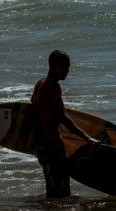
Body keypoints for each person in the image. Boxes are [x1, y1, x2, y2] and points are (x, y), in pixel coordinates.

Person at [31, 50, 100, 199]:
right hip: (53, 145)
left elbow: (32, 112)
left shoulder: (40, 84)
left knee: (53, 191)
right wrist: (88, 138)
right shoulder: (52, 86)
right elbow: (63, 117)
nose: (67, 71)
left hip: (42, 146)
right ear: (53, 66)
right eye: (64, 67)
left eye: (68, 67)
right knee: (62, 194)